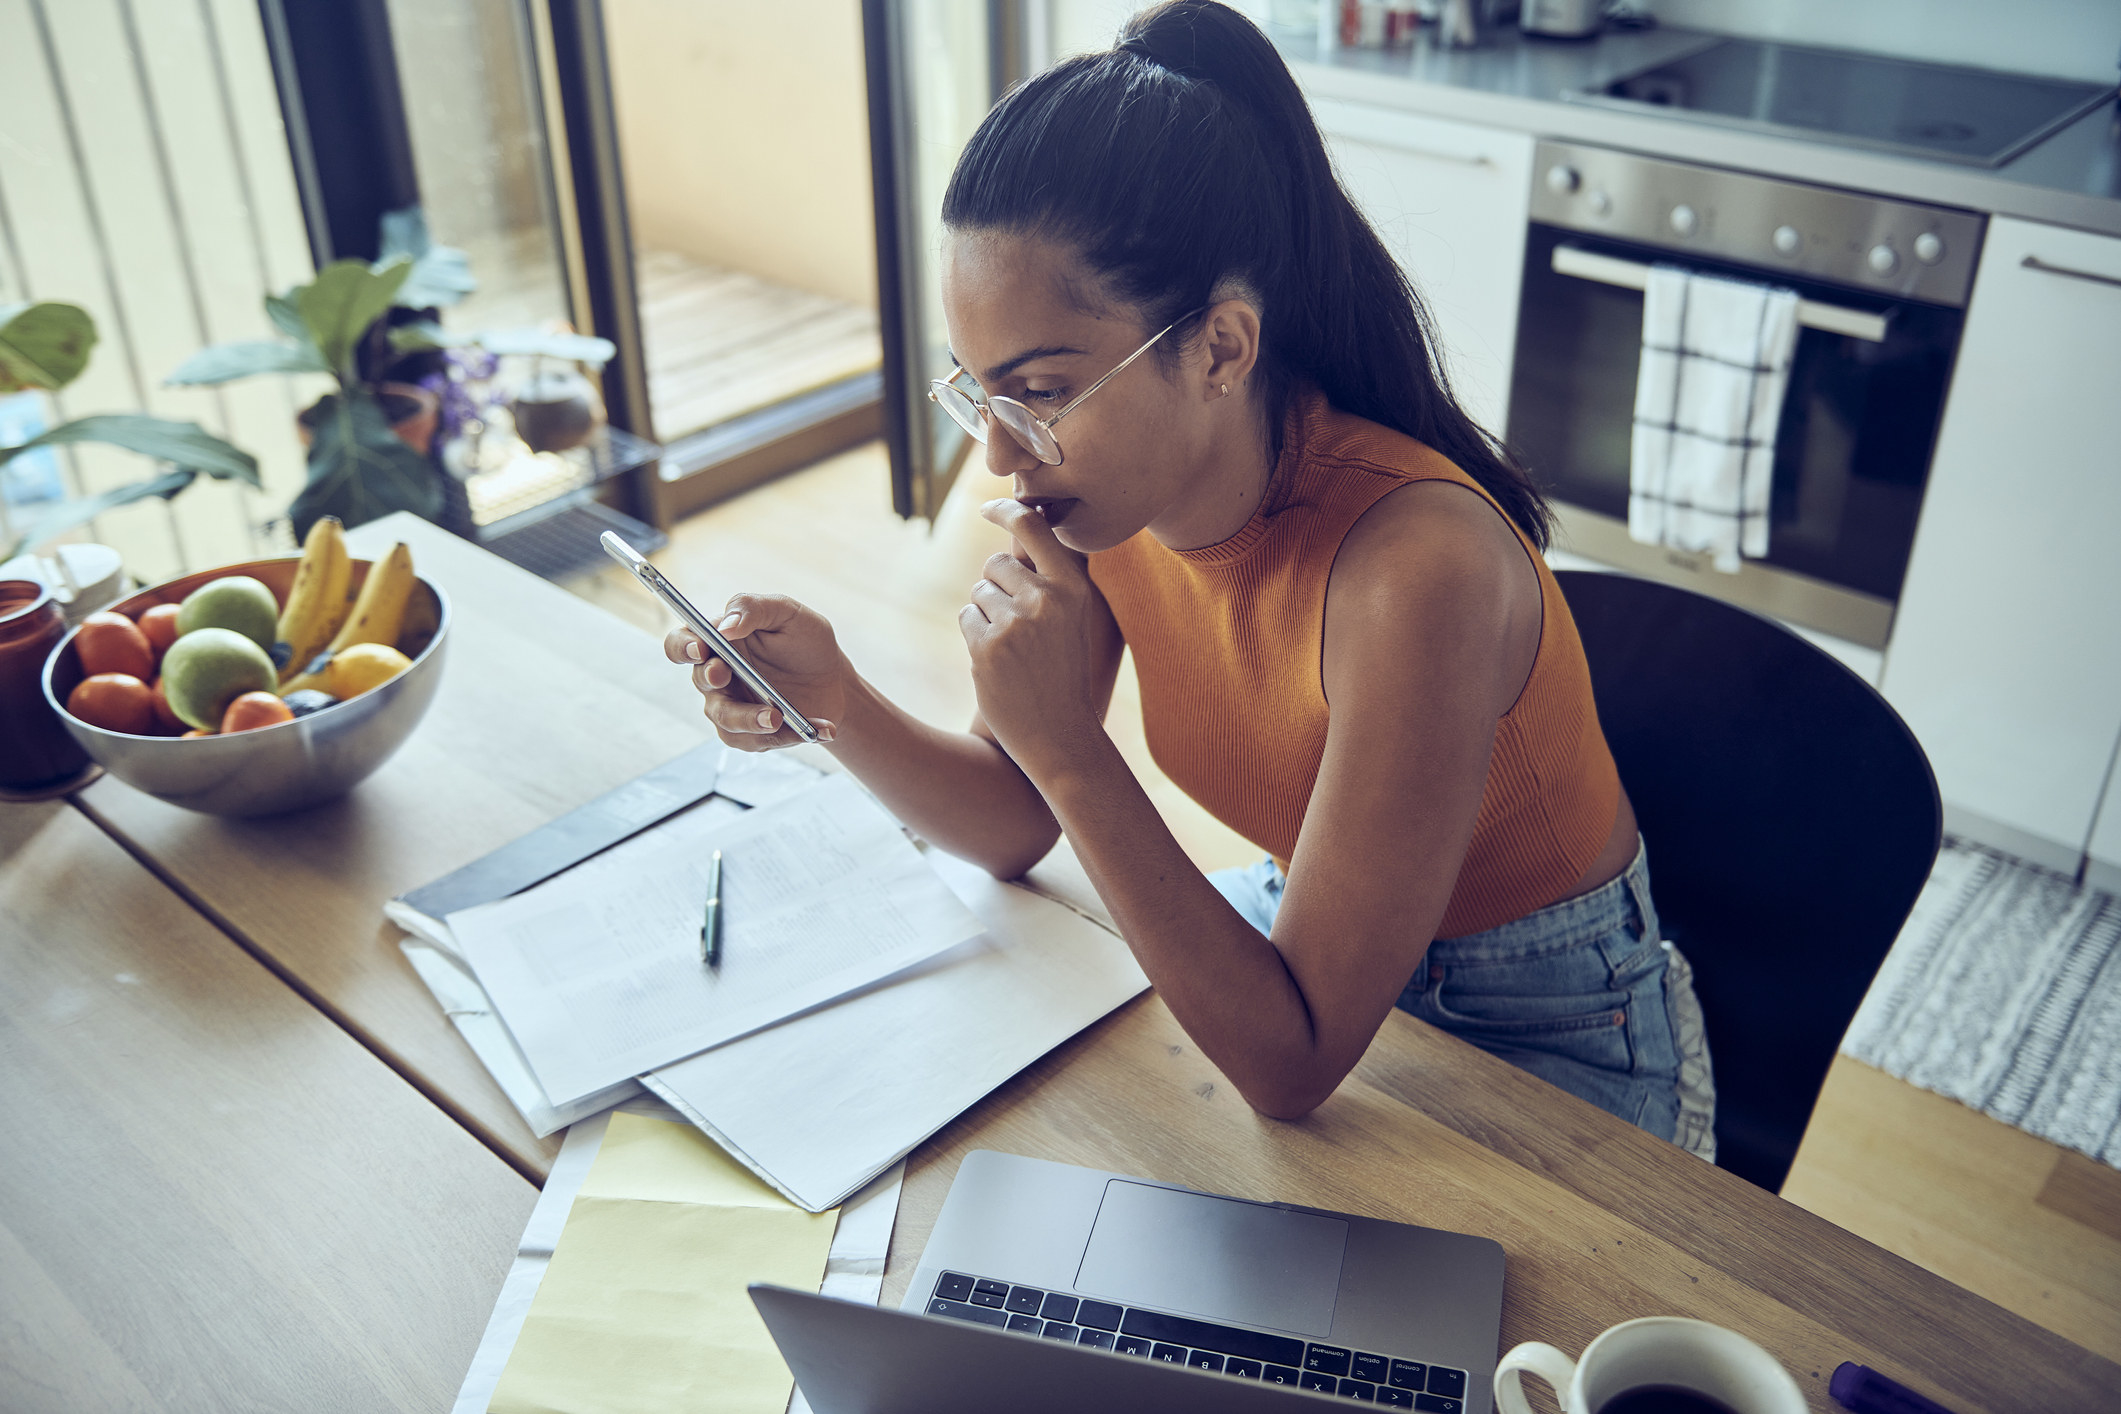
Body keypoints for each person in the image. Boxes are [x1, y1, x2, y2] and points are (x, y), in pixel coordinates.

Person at [663, 0, 1715, 1157]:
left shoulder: (1418, 570)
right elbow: (1015, 821)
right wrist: (838, 701)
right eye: (977, 392)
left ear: (1220, 347)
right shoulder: (1094, 501)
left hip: (1547, 1016)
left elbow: (1293, 1061)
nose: (999, 454)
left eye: (1044, 391)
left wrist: (1069, 743)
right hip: (1303, 945)